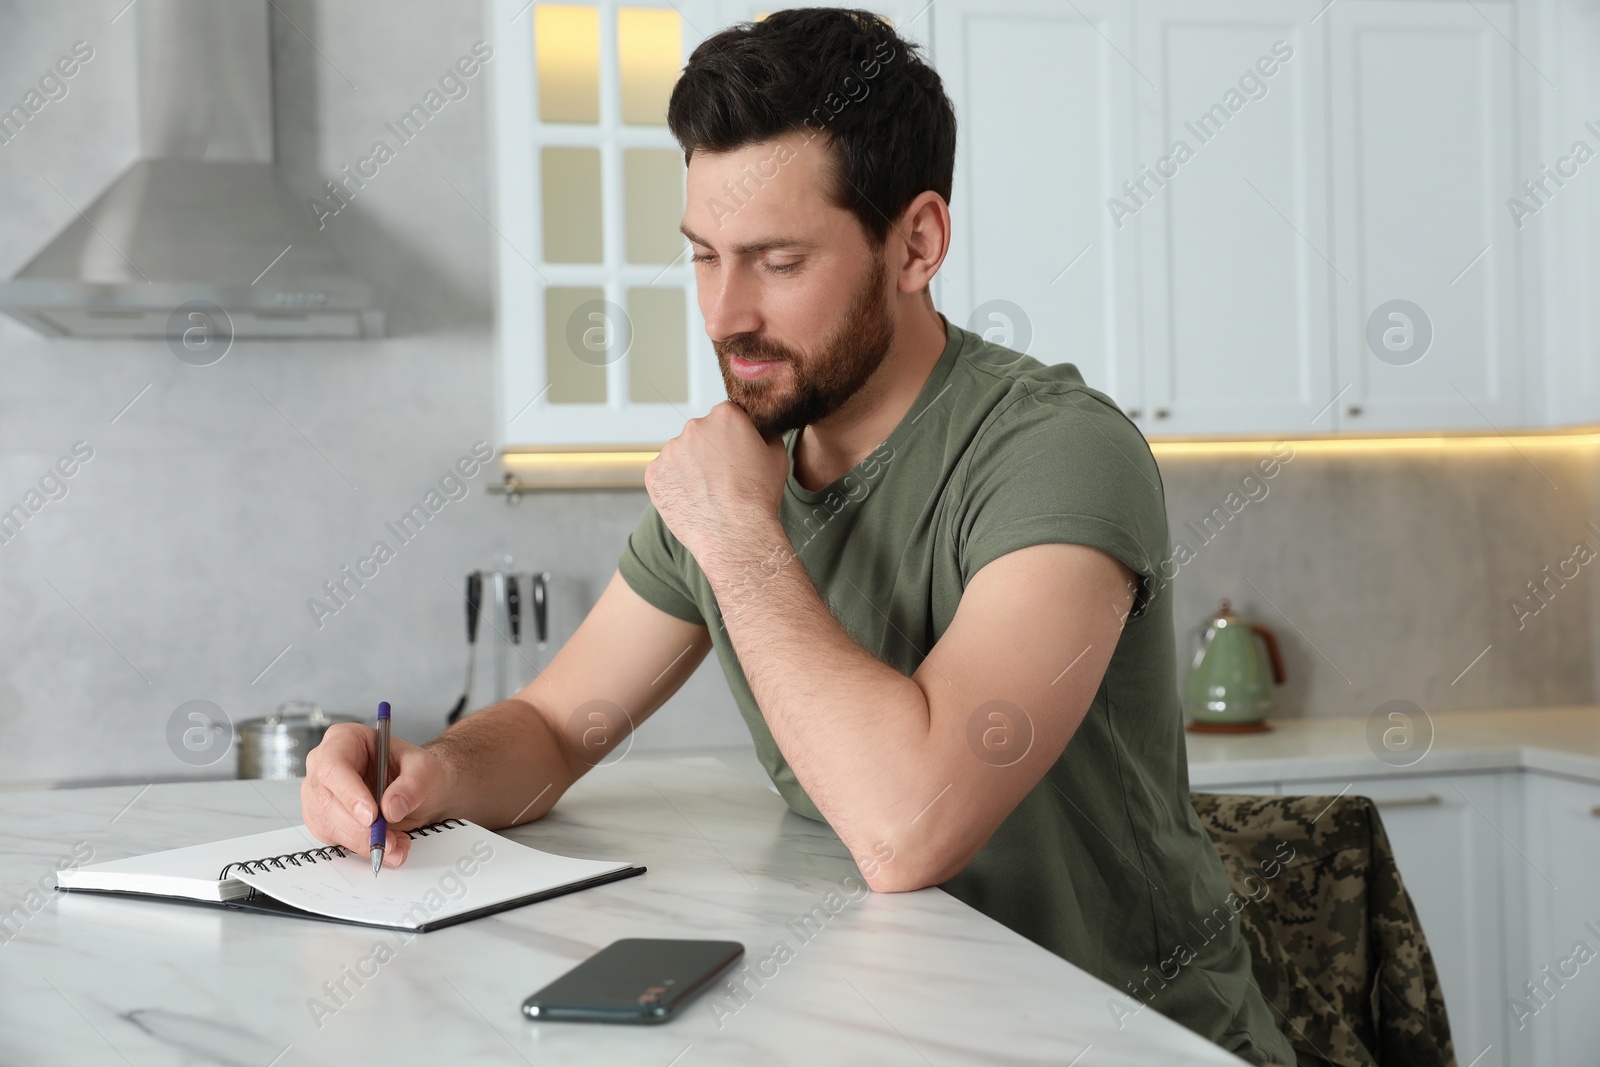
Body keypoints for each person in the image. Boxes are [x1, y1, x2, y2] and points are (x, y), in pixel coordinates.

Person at [301, 9, 1295, 1064]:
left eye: (777, 260)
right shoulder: (743, 461)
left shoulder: (1052, 451)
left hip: (1126, 1041)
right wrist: (429, 773)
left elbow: (908, 826)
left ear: (915, 243)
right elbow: (555, 727)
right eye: (703, 257)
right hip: (906, 1026)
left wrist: (735, 529)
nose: (726, 312)